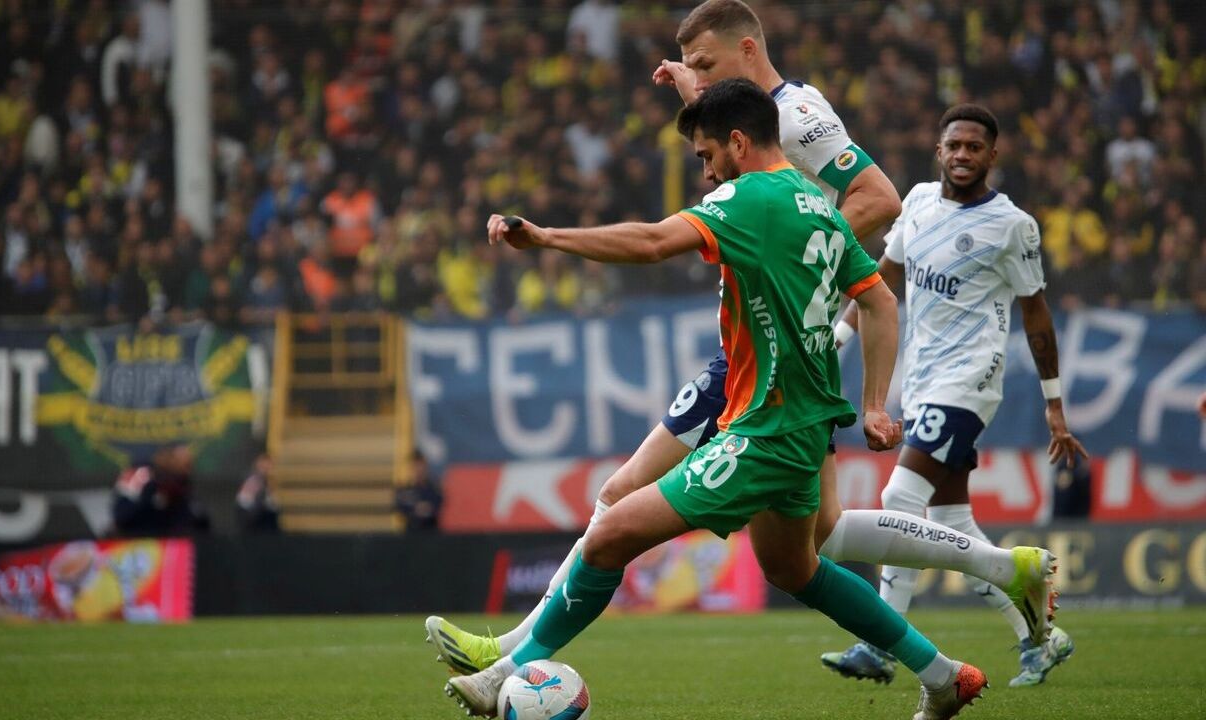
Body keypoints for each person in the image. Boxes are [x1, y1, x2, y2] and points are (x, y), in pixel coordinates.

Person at [429, 0, 1054, 684]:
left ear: (748, 51)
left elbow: (878, 198)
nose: (695, 75)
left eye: (705, 64)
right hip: (786, 357)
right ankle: (994, 583)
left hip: (767, 357)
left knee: (620, 499)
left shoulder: (798, 118)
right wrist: (700, 100)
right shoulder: (756, 138)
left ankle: (510, 654)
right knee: (811, 548)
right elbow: (856, 272)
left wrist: (797, 260)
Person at [822, 104, 1088, 688]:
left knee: (900, 496)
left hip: (969, 382)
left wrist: (1054, 403)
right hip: (920, 382)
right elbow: (880, 280)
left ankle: (881, 643)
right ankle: (1042, 639)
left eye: (974, 146)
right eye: (955, 145)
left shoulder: (1012, 225)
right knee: (952, 526)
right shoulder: (917, 202)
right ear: (939, 151)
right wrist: (836, 339)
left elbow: (1036, 313)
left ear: (992, 155)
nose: (963, 154)